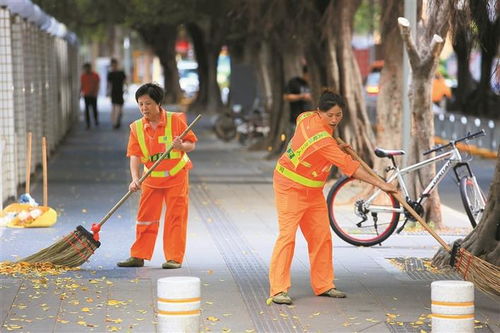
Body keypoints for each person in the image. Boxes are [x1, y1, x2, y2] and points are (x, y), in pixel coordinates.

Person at [269, 90, 398, 305]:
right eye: (330, 116)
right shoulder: (322, 140)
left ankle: (324, 284)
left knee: (321, 236)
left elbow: (312, 142)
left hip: (313, 191)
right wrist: (383, 185)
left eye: (339, 115)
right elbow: (352, 168)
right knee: (287, 237)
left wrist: (335, 144)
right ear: (319, 112)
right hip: (289, 187)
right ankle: (278, 290)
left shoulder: (306, 117)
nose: (335, 120)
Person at [117, 83, 197, 269]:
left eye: (148, 103)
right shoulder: (136, 128)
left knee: (175, 217)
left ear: (158, 103)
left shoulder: (175, 120)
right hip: (151, 180)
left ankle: (174, 258)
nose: (144, 108)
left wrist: (181, 147)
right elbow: (134, 155)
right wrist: (135, 178)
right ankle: (138, 255)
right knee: (145, 217)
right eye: (141, 104)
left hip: (176, 177)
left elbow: (191, 144)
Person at [107, 58, 127, 129]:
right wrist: (108, 92)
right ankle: (115, 123)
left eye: (114, 64)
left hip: (120, 92)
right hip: (114, 92)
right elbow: (109, 84)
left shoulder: (121, 73)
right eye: (112, 65)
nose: (114, 66)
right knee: (115, 108)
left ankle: (117, 121)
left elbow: (125, 81)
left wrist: (126, 89)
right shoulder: (110, 73)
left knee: (120, 109)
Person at [80, 63, 100, 129]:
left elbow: (97, 84)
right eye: (85, 68)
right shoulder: (83, 76)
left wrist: (96, 92)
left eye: (87, 68)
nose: (86, 69)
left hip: (93, 95)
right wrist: (80, 92)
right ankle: (88, 123)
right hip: (86, 95)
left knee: (94, 108)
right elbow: (82, 85)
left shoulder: (95, 75)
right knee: (87, 110)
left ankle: (96, 120)